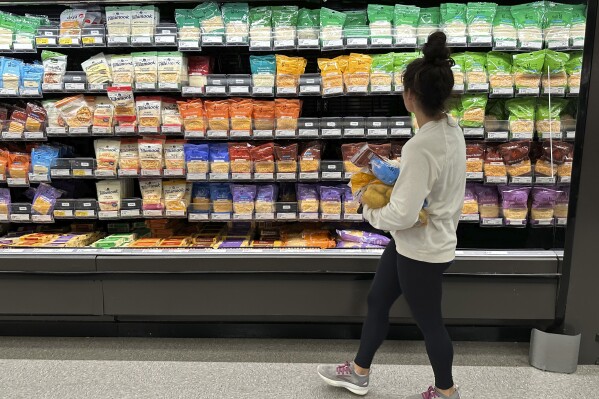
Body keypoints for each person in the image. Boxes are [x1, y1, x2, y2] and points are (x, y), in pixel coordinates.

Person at [317, 31, 466, 399]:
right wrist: (397, 173)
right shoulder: (451, 130)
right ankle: (358, 371)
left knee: (431, 324)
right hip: (415, 242)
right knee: (378, 300)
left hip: (423, 250)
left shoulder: (421, 145)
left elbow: (400, 214)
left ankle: (446, 391)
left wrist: (366, 205)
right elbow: (431, 182)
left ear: (410, 97)